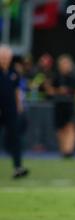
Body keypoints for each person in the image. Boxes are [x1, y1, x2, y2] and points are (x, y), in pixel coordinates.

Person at [46, 55, 75, 158]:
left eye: (66, 64)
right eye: (62, 64)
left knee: (70, 127)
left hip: (70, 105)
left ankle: (69, 151)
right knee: (60, 128)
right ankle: (63, 150)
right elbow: (49, 90)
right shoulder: (55, 76)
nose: (65, 66)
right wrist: (59, 91)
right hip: (59, 104)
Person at [0, 44, 29, 178]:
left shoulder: (14, 72)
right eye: (3, 56)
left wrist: (19, 106)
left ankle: (18, 167)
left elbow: (17, 91)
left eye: (7, 56)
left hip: (11, 110)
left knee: (15, 138)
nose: (5, 59)